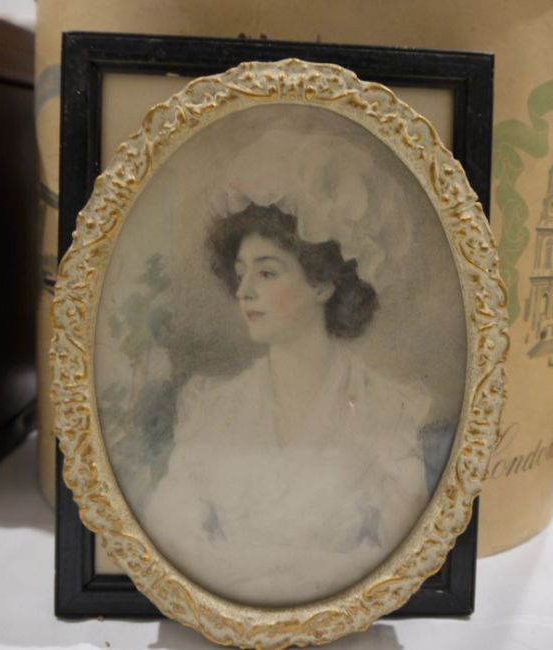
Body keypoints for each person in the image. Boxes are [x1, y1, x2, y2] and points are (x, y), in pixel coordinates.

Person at [142, 203, 431, 606]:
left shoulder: (385, 407)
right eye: (241, 273)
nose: (243, 291)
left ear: (321, 284)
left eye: (266, 273)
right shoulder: (214, 407)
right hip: (224, 613)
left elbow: (403, 551)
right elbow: (170, 533)